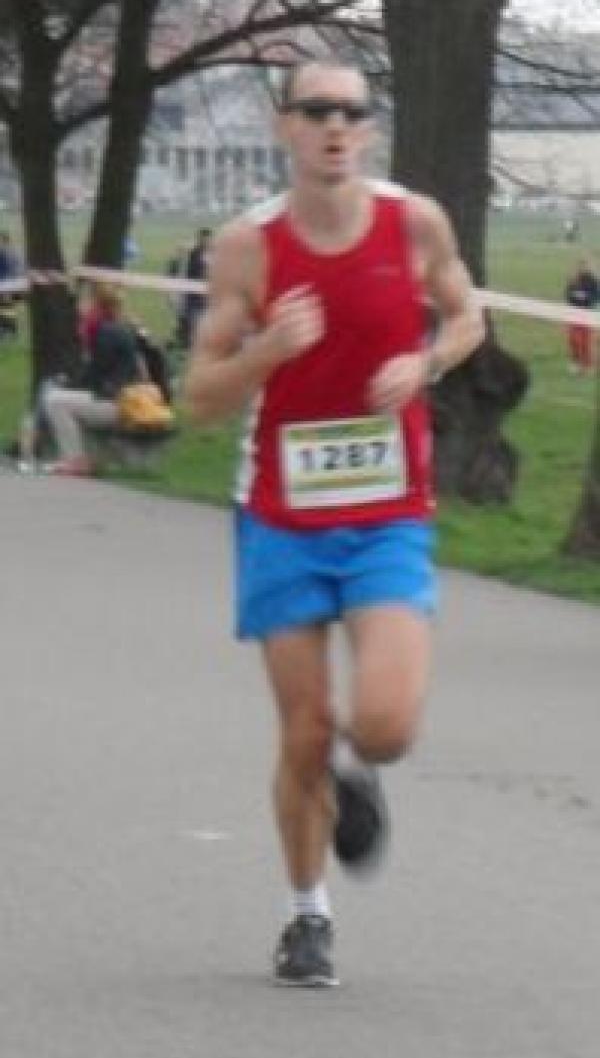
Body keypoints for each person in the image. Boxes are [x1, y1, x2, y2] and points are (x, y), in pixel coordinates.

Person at [185, 58, 484, 987]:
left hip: (388, 513)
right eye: (316, 110)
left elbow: (468, 316)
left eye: (353, 111)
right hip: (282, 515)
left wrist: (426, 363)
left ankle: (362, 776)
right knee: (306, 727)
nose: (336, 125)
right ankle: (307, 913)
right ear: (285, 126)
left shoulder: (414, 222)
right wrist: (267, 351)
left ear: (369, 128)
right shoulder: (249, 247)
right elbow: (199, 394)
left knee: (384, 724)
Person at [41, 284, 148, 475]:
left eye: (86, 301)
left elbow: (95, 375)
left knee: (54, 400)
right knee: (59, 395)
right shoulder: (117, 328)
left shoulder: (106, 333)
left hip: (118, 403)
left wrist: (69, 384)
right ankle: (81, 457)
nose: (81, 306)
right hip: (125, 399)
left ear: (96, 304)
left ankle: (75, 460)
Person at [178, 228, 210, 350]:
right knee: (193, 323)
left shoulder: (211, 254)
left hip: (204, 297)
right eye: (203, 238)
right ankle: (192, 345)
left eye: (207, 239)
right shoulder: (194, 253)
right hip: (193, 296)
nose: (205, 241)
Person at [565, 258, 598, 374]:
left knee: (585, 340)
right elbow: (568, 295)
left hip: (587, 313)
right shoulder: (574, 280)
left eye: (585, 266)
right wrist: (576, 296)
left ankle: (588, 365)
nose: (582, 268)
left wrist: (584, 298)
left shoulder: (593, 281)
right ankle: (576, 362)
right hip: (574, 313)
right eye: (580, 266)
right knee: (573, 339)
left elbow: (595, 298)